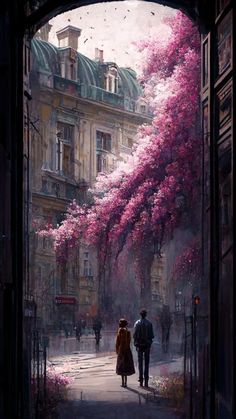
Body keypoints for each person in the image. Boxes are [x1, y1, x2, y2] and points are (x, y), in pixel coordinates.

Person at [133, 308, 154, 388]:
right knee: (147, 363)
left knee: (140, 363)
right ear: (146, 315)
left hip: (139, 345)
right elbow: (151, 335)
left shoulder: (137, 323)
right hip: (147, 345)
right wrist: (149, 342)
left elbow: (134, 335)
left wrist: (136, 344)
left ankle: (141, 380)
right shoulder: (149, 323)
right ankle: (146, 381)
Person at [116, 318, 135, 388]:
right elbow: (129, 342)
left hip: (121, 351)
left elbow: (117, 343)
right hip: (127, 351)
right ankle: (126, 383)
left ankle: (122, 382)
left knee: (121, 367)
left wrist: (117, 351)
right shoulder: (128, 332)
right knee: (126, 367)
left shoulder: (120, 332)